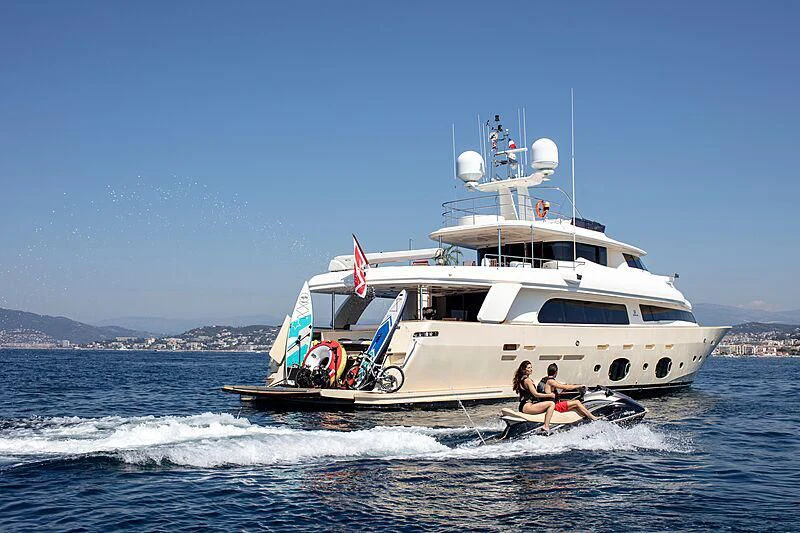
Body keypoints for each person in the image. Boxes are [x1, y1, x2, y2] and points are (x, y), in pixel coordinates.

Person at [512, 360, 556, 432]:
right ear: (524, 369)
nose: (531, 369)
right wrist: (550, 395)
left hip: (523, 406)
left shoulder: (521, 379)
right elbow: (535, 394)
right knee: (551, 404)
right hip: (528, 407)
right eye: (528, 368)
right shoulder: (528, 380)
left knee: (544, 404)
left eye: (531, 367)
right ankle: (546, 426)